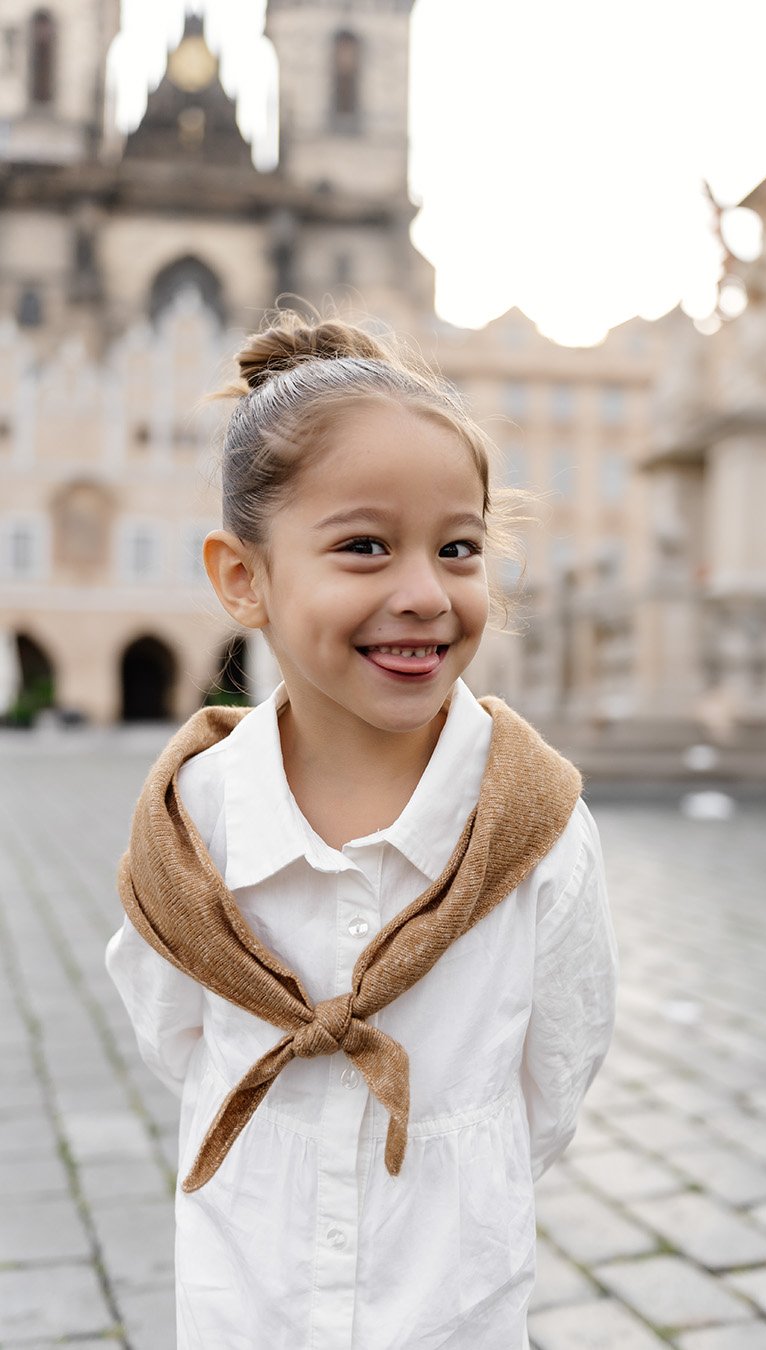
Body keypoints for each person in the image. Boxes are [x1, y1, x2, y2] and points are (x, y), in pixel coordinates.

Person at [106, 312, 618, 1350]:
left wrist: (456, 1162)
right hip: (247, 1294)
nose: (424, 594)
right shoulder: (196, 820)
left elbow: (557, 1073)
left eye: (459, 547)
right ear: (243, 577)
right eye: (364, 547)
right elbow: (172, 1028)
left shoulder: (536, 831)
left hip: (449, 1303)